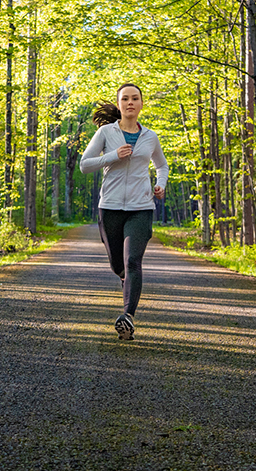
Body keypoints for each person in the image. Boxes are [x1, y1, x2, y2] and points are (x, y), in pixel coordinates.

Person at [80, 83, 168, 340]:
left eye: (135, 98)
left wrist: (160, 184)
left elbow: (161, 166)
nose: (130, 102)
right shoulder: (106, 133)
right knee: (118, 265)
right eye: (125, 99)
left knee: (133, 261)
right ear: (119, 105)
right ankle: (126, 282)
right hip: (110, 207)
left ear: (141, 103)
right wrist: (112, 156)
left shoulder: (150, 136)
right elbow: (85, 165)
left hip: (141, 208)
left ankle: (127, 316)